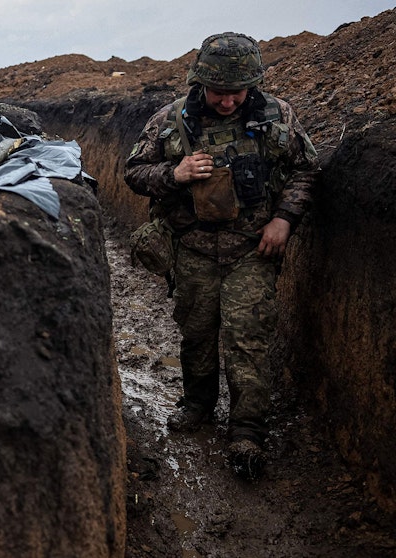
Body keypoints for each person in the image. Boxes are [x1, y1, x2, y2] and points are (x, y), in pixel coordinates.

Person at [124, 32, 319, 479]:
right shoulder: (170, 120)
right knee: (196, 332)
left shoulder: (278, 117)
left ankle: (248, 429)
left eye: (237, 92)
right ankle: (197, 403)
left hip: (252, 250)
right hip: (192, 249)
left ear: (252, 84)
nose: (228, 102)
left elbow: (306, 170)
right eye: (219, 93)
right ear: (200, 84)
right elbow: (133, 173)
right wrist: (174, 173)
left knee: (247, 337)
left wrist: (285, 218)